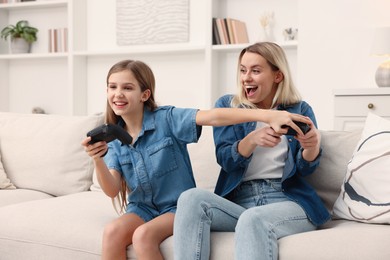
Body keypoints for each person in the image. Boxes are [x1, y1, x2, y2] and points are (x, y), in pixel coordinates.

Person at [81, 59, 310, 260]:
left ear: (145, 94)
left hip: (175, 208)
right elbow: (112, 190)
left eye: (127, 87)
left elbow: (213, 116)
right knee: (111, 232)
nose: (118, 93)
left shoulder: (167, 119)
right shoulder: (113, 138)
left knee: (143, 236)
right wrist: (97, 159)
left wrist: (267, 115)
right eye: (112, 87)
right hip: (141, 208)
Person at [173, 42, 330, 260]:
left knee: (253, 219)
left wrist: (311, 147)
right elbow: (226, 160)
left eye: (255, 71)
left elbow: (306, 169)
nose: (246, 77)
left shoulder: (299, 109)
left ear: (277, 76)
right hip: (240, 201)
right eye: (243, 70)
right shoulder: (229, 106)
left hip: (287, 200)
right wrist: (252, 139)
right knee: (191, 198)